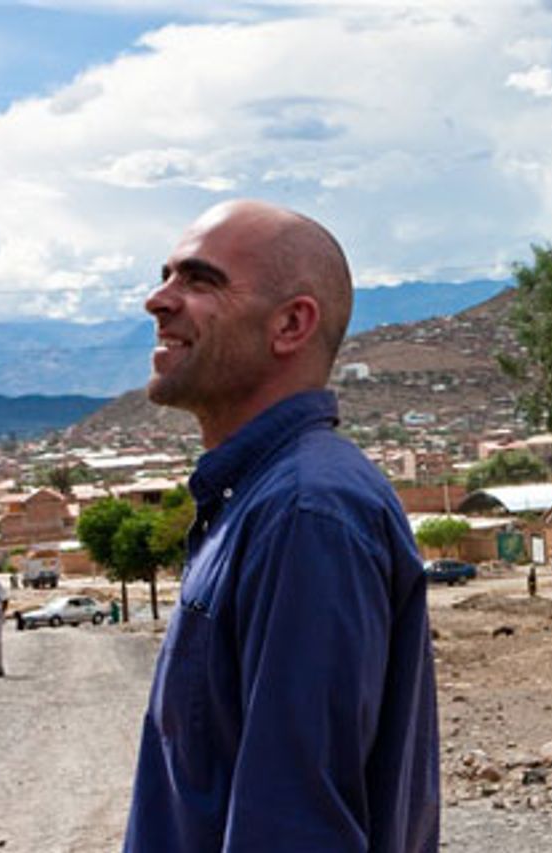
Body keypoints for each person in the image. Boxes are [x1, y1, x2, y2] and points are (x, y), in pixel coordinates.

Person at [124, 200, 439, 852]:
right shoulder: (260, 500)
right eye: (166, 276)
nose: (158, 300)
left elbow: (296, 827)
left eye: (200, 280)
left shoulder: (305, 515)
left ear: (291, 324)